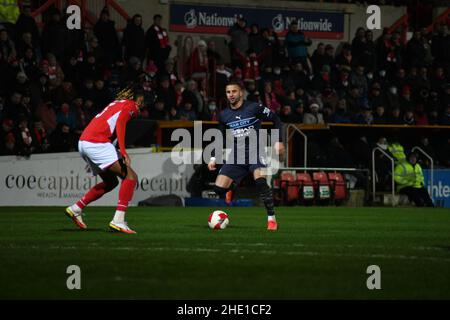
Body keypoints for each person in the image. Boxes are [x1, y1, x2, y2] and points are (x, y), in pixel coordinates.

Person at [65, 86, 145, 234]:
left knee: (111, 182)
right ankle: (118, 220)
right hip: (96, 142)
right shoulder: (131, 105)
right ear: (136, 98)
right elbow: (120, 123)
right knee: (131, 177)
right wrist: (123, 151)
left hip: (84, 142)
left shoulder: (116, 103)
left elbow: (111, 127)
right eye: (141, 99)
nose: (142, 103)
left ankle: (76, 209)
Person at [207, 80, 285, 231]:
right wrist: (212, 157)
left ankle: (271, 219)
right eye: (228, 92)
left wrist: (279, 141)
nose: (231, 95)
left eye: (234, 91)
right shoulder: (224, 115)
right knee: (218, 190)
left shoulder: (253, 107)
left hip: (256, 152)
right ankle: (231, 188)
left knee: (261, 182)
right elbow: (219, 137)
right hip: (237, 155)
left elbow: (276, 119)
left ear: (241, 92)